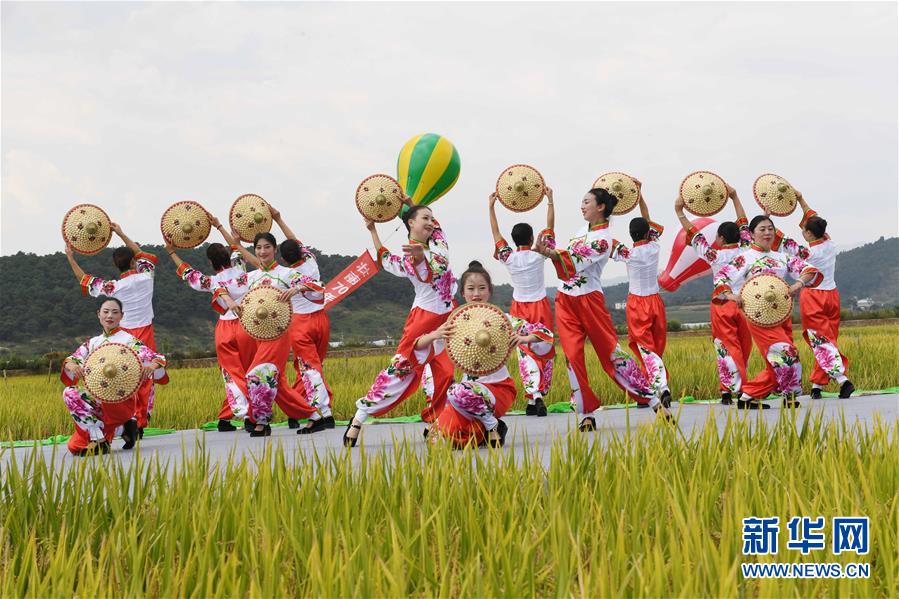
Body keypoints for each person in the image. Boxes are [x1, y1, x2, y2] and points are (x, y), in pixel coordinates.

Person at [534, 187, 671, 432]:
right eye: (582, 201)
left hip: (590, 301)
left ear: (601, 207)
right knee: (572, 357)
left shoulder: (604, 240)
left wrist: (551, 253)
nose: (582, 206)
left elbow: (574, 262)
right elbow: (560, 251)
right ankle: (586, 414)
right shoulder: (581, 231)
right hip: (565, 300)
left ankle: (652, 400)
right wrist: (550, 206)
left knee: (612, 355)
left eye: (586, 202)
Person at [343, 199, 458, 447]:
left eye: (431, 218)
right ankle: (360, 415)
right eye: (424, 218)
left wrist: (410, 203)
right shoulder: (410, 257)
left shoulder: (439, 244)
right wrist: (373, 230)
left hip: (449, 318)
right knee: (400, 373)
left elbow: (434, 229)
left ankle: (436, 424)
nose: (430, 222)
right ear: (411, 223)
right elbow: (385, 258)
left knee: (446, 374)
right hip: (424, 321)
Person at [415, 261, 554, 448]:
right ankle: (488, 429)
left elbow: (545, 333)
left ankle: (492, 425)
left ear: (489, 291)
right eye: (471, 289)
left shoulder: (503, 320)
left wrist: (524, 338)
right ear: (462, 293)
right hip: (468, 395)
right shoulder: (453, 325)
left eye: (482, 288)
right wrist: (435, 335)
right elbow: (417, 346)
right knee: (436, 437)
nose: (476, 294)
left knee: (455, 391)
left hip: (498, 389)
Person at [714, 215, 823, 409]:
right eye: (762, 229)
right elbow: (721, 277)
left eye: (770, 229)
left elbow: (809, 270)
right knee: (786, 353)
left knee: (776, 360)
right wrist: (731, 295)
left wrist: (798, 283)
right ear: (752, 234)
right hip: (760, 317)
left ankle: (749, 397)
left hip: (782, 314)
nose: (767, 233)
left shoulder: (782, 257)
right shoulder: (745, 258)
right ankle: (781, 394)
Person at [164, 216, 259, 432]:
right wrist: (219, 226)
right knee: (248, 371)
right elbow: (236, 247)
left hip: (225, 328)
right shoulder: (241, 268)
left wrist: (171, 252)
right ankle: (236, 417)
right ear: (228, 255)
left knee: (231, 374)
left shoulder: (211, 281)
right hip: (247, 325)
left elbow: (187, 272)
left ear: (210, 262)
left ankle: (243, 415)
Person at [65, 222, 158, 434]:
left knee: (121, 378)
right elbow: (144, 255)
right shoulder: (147, 276)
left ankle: (127, 420)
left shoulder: (113, 287)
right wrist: (120, 233)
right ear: (134, 262)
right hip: (145, 333)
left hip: (121, 338)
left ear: (116, 266)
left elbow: (84, 279)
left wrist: (70, 257)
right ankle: (140, 422)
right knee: (145, 378)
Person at [673, 185, 753, 405]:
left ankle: (729, 391)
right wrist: (735, 196)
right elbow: (743, 222)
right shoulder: (747, 249)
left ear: (720, 238)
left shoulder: (713, 255)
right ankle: (741, 389)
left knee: (725, 347)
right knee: (744, 347)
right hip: (745, 304)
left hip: (722, 303)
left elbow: (694, 234)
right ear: (739, 236)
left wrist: (680, 211)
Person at [771, 191, 854, 399]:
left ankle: (842, 380)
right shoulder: (830, 244)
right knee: (828, 340)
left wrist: (768, 219)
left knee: (820, 341)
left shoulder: (807, 252)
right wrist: (800, 200)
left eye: (804, 230)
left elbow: (779, 239)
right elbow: (813, 218)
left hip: (813, 297)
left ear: (808, 233)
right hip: (832, 295)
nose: (802, 231)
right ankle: (817, 385)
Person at [61, 298, 167, 455]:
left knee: (82, 442)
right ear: (99, 314)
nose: (110, 316)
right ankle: (122, 429)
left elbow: (158, 358)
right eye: (106, 312)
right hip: (98, 398)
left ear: (121, 316)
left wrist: (152, 366)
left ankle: (101, 439)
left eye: (115, 312)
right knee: (74, 444)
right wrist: (71, 365)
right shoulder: (93, 343)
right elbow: (72, 359)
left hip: (120, 400)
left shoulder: (129, 340)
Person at [243, 231, 324, 436]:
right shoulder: (251, 278)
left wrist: (298, 288)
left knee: (256, 374)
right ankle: (314, 416)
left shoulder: (286, 274)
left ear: (275, 249)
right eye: (258, 248)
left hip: (279, 334)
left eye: (267, 247)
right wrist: (230, 301)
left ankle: (261, 421)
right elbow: (220, 287)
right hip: (259, 335)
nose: (262, 251)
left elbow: (318, 286)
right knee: (276, 382)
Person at [488, 187, 556, 416]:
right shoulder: (539, 254)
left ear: (514, 240)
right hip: (540, 305)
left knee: (525, 350)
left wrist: (491, 207)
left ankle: (533, 396)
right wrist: (550, 200)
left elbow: (496, 233)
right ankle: (538, 394)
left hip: (518, 308)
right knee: (543, 347)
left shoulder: (508, 257)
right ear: (531, 238)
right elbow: (550, 228)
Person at [268, 204, 335, 434]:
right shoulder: (311, 260)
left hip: (301, 325)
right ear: (300, 251)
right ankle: (301, 408)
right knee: (312, 368)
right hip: (321, 320)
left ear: (283, 259)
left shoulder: (286, 275)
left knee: (309, 369)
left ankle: (322, 414)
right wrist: (279, 218)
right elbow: (294, 240)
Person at [610, 190, 670, 406]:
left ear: (630, 234)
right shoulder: (654, 247)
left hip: (637, 303)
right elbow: (647, 218)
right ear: (647, 233)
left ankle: (661, 387)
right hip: (655, 300)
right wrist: (640, 195)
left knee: (645, 349)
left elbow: (603, 237)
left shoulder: (628, 253)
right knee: (656, 346)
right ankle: (649, 391)